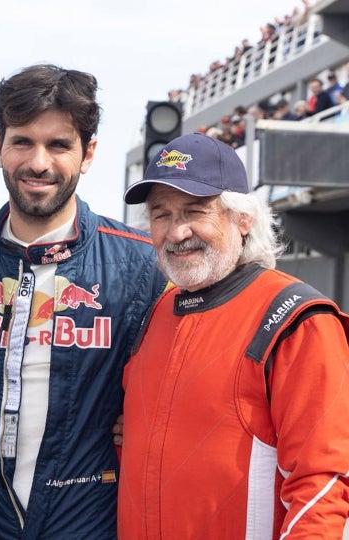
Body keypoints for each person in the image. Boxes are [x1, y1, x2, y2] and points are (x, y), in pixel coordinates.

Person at [0, 64, 167, 539]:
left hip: (90, 520)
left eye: (59, 145)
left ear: (87, 154)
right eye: (22, 141)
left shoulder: (145, 265)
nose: (39, 162)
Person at [119, 133, 349, 538]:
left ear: (243, 219)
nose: (176, 232)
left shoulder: (298, 321)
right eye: (161, 214)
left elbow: (322, 488)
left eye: (195, 211)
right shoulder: (156, 312)